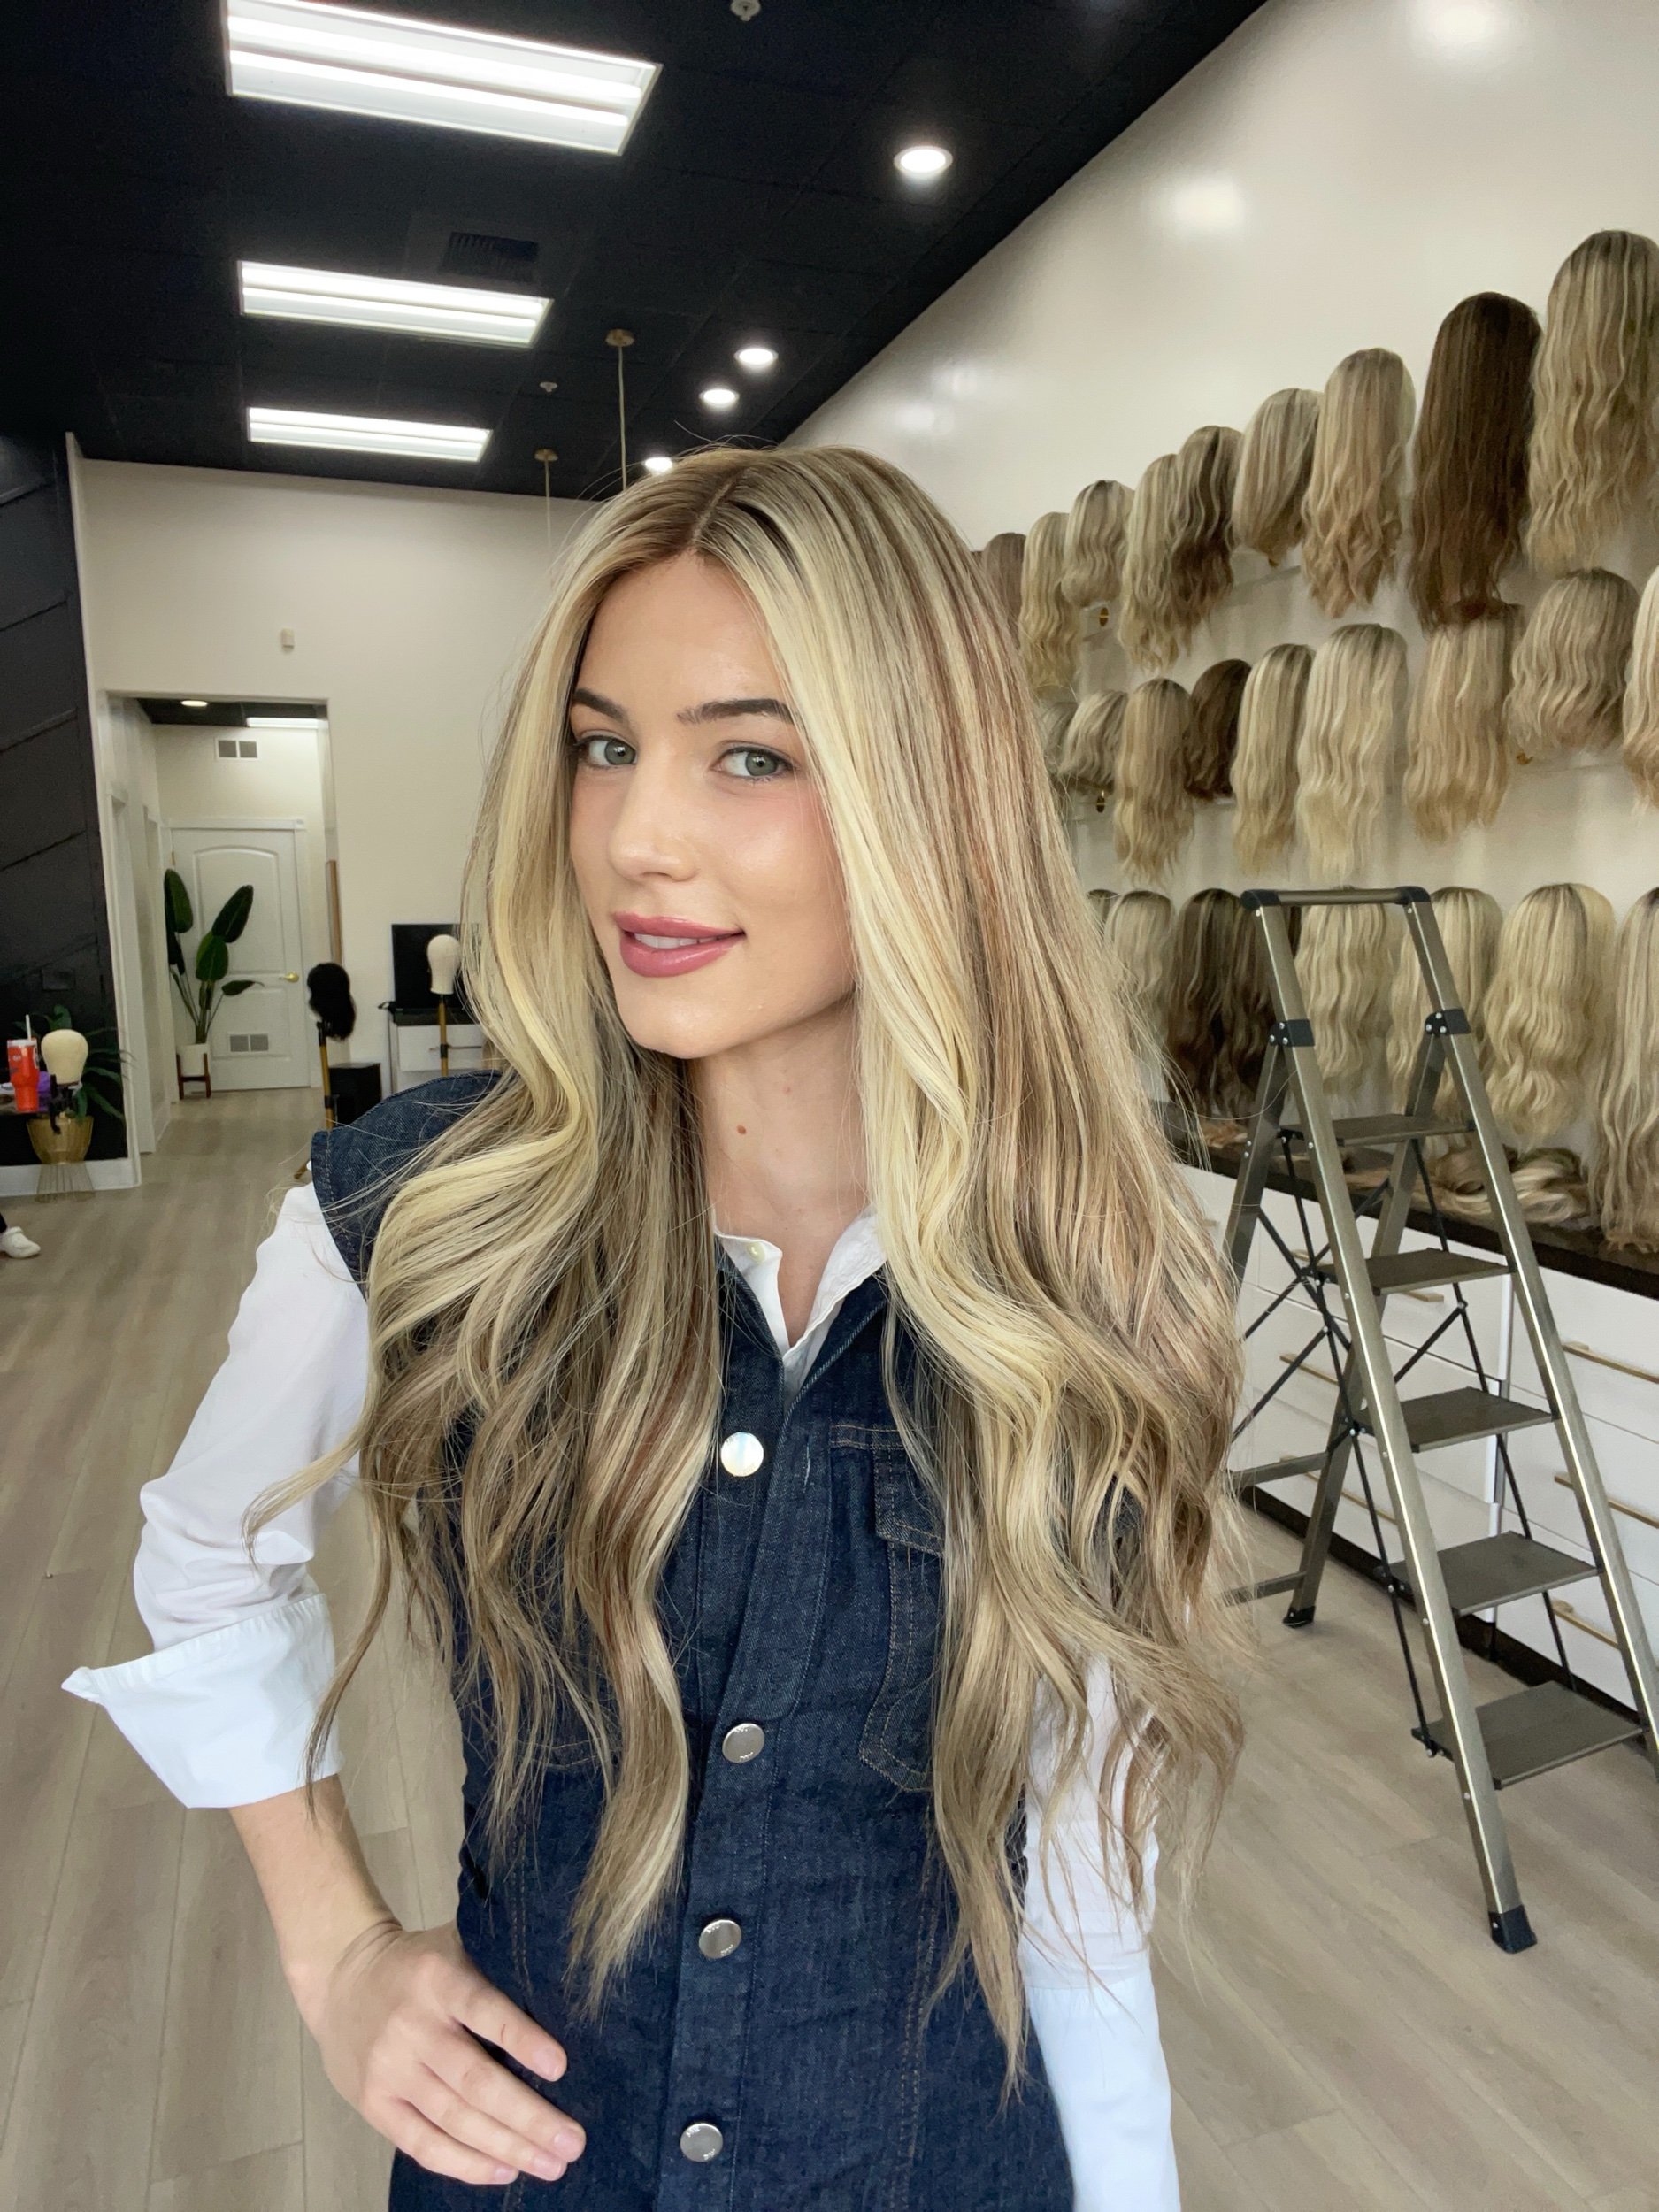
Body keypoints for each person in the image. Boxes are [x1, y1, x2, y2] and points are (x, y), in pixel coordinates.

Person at [65, 445, 1248, 2208]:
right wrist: (335, 1951)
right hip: (544, 2162)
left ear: (927, 798)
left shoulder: (1078, 1275)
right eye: (602, 745)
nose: (635, 836)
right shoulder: (425, 1211)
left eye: (748, 755)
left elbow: (1077, 1873)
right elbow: (204, 1556)